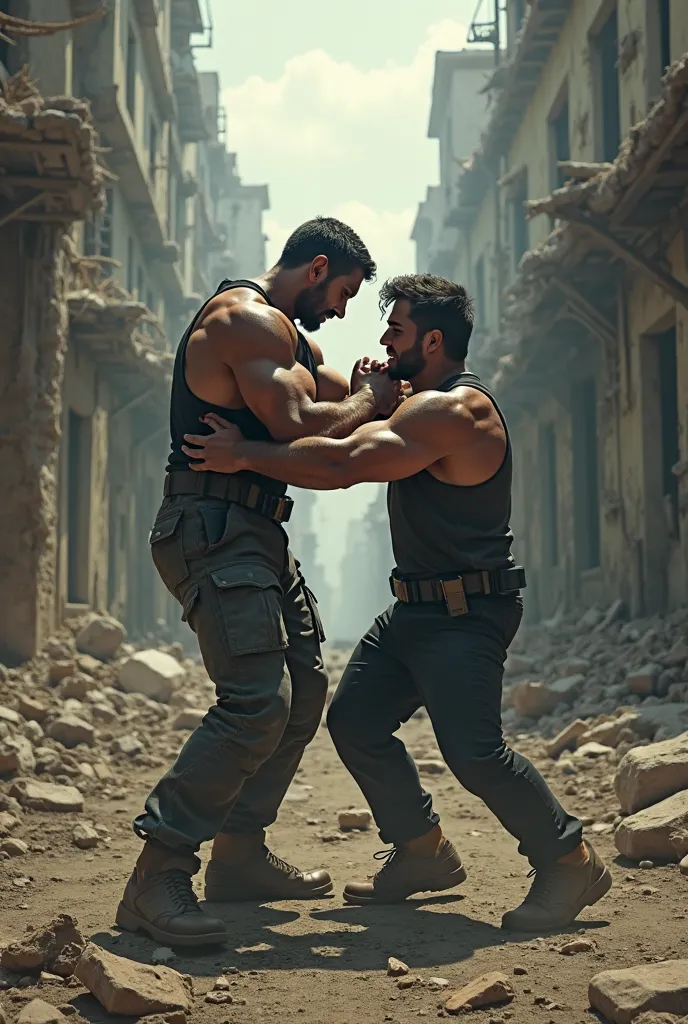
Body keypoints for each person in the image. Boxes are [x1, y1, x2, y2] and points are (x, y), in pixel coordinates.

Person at [182, 273, 613, 933]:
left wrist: (243, 455)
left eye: (395, 330)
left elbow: (339, 464)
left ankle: (569, 857)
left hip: (467, 611)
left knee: (475, 752)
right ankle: (421, 852)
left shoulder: (454, 410)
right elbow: (330, 412)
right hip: (414, 610)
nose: (382, 341)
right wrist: (356, 391)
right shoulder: (416, 401)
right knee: (354, 720)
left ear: (433, 341)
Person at [117, 217, 400, 947]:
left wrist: (392, 390)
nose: (341, 311)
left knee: (304, 689)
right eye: (341, 292)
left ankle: (239, 856)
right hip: (209, 527)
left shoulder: (292, 341)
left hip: (255, 532)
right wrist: (368, 400)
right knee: (256, 702)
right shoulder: (244, 320)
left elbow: (352, 415)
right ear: (314, 267)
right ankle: (157, 873)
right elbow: (306, 419)